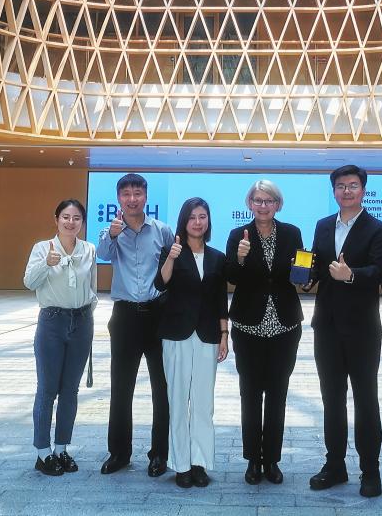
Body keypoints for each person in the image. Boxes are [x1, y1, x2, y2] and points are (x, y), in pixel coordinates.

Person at [306, 165, 382, 498]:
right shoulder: (323, 225)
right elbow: (315, 264)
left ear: (363, 190)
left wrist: (351, 274)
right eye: (341, 186)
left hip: (362, 329)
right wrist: (306, 277)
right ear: (334, 191)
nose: (346, 191)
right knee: (332, 399)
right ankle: (335, 465)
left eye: (353, 185)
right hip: (326, 326)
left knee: (366, 399)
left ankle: (370, 470)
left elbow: (380, 270)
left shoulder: (376, 228)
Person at [224, 180, 304, 485]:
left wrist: (305, 274)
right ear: (250, 204)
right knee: (250, 394)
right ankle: (252, 460)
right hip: (248, 327)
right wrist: (240, 257)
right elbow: (231, 276)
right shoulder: (238, 235)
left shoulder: (292, 233)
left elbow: (300, 275)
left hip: (284, 326)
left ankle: (271, 459)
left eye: (269, 200)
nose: (263, 206)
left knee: (277, 394)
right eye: (257, 200)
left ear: (278, 204)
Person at [97, 173, 174, 477]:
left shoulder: (162, 230)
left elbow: (172, 266)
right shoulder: (111, 231)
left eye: (137, 193)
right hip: (125, 316)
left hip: (158, 315)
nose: (132, 199)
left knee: (161, 388)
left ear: (146, 197)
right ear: (119, 198)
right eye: (126, 194)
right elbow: (103, 255)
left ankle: (160, 454)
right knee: (121, 387)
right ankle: (119, 453)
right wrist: (113, 234)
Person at [154, 198, 229, 489]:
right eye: (192, 217)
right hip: (176, 334)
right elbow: (160, 284)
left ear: (208, 221)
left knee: (203, 403)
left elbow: (220, 299)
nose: (198, 222)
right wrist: (171, 258)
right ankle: (181, 464)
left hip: (208, 335)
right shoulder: (170, 251)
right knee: (177, 401)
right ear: (184, 221)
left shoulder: (217, 257)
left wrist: (224, 335)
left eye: (202, 217)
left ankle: (199, 463)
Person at [23, 199, 97, 476]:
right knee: (47, 389)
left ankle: (61, 448)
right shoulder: (42, 248)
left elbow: (92, 286)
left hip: (81, 322)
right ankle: (42, 452)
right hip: (52, 322)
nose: (70, 222)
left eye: (76, 218)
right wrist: (46, 264)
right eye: (65, 217)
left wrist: (87, 312)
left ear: (82, 222)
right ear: (56, 219)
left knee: (70, 390)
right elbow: (29, 282)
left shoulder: (89, 249)